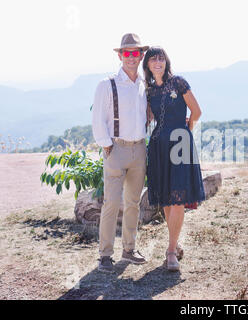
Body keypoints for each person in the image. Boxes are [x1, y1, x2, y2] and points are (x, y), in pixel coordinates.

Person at [143, 46, 206, 272]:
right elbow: (148, 117)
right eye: (153, 60)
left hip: (181, 144)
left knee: (178, 197)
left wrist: (187, 128)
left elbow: (196, 111)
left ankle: (170, 252)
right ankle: (175, 244)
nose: (157, 63)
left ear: (166, 62)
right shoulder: (148, 91)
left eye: (161, 59)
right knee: (167, 199)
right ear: (148, 65)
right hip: (159, 147)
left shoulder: (178, 83)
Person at [92, 33, 149, 273]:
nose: (131, 57)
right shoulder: (107, 84)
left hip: (139, 149)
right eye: (126, 53)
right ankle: (105, 254)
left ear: (141, 55)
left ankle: (129, 249)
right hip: (116, 148)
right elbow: (97, 119)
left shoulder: (144, 84)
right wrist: (106, 144)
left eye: (135, 52)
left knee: (134, 203)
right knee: (111, 203)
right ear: (119, 55)